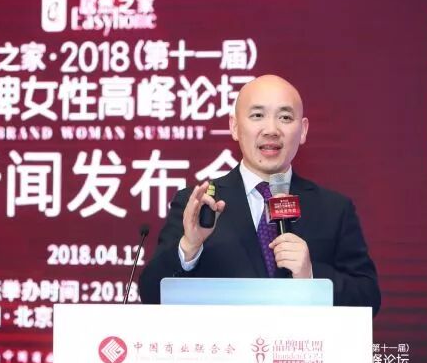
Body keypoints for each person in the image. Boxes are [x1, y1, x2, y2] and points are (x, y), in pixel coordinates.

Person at [138, 75, 381, 315]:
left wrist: (311, 276)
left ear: (303, 130)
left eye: (285, 117)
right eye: (257, 115)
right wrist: (189, 247)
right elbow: (152, 294)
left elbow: (368, 300)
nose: (271, 130)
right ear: (234, 126)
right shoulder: (199, 205)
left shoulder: (334, 209)